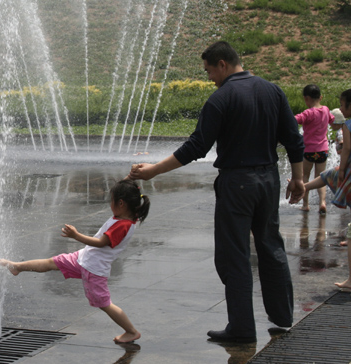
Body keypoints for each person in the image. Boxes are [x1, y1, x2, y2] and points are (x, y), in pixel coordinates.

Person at [129, 41, 305, 343]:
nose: (210, 77)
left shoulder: (221, 99)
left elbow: (197, 147)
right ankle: (283, 316)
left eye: (209, 70)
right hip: (269, 179)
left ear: (222, 63)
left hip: (237, 183)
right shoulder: (272, 90)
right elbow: (293, 138)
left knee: (233, 254)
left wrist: (153, 170)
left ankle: (242, 328)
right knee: (271, 245)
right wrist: (298, 179)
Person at [0, 179, 150, 344]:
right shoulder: (125, 216)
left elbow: (100, 243)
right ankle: (16, 266)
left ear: (121, 203)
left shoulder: (123, 225)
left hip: (94, 269)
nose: (109, 204)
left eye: (111, 201)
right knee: (51, 262)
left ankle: (131, 331)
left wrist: (76, 235)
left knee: (105, 304)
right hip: (84, 258)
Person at [303, 90, 351, 286]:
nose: (340, 107)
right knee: (326, 174)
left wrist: (343, 171)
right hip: (326, 158)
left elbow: (346, 149)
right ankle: (303, 187)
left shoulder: (348, 125)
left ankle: (350, 282)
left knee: (329, 174)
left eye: (342, 104)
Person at [295, 84, 335, 213]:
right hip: (323, 150)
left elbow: (295, 120)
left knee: (304, 176)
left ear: (306, 98)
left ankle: (305, 204)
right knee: (320, 177)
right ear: (321, 97)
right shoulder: (326, 110)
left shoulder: (308, 113)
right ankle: (322, 202)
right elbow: (333, 120)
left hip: (309, 151)